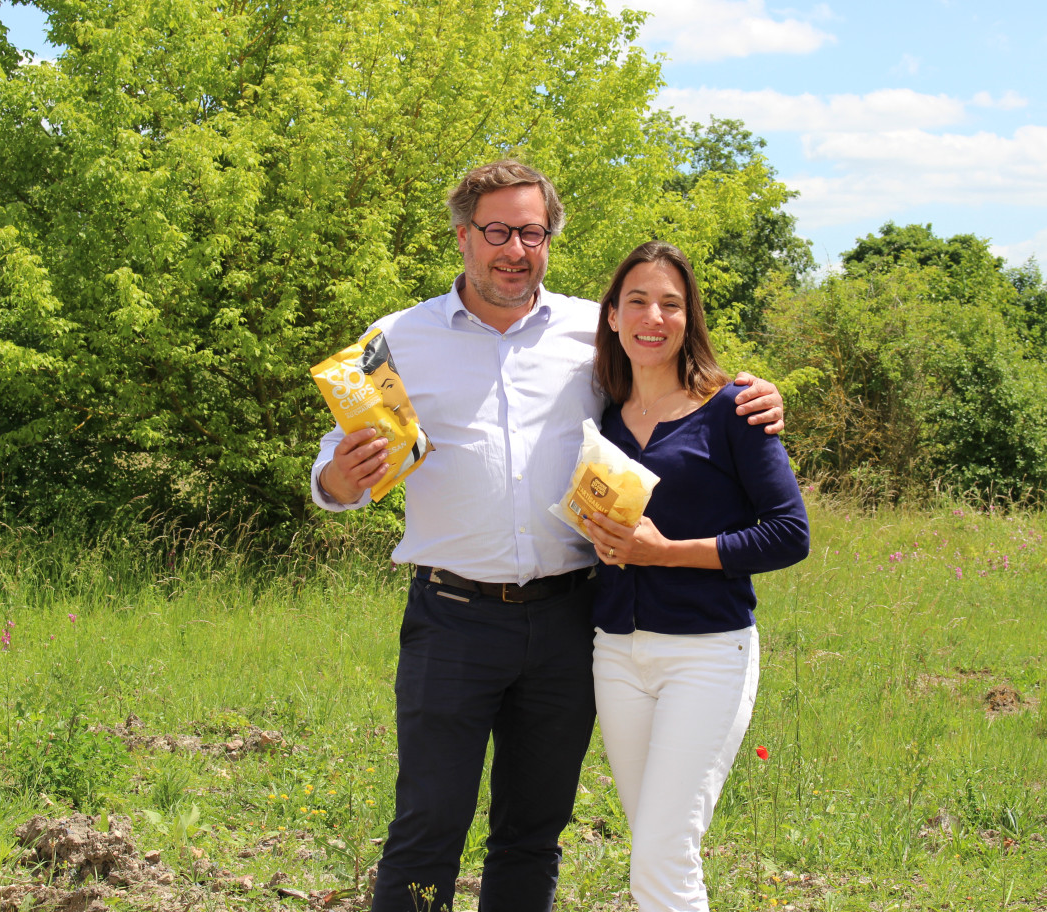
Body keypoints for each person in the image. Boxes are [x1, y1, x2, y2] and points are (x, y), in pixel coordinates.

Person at [310, 161, 786, 912]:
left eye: (532, 233)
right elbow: (329, 477)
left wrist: (752, 393)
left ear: (549, 242)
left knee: (532, 831)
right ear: (464, 236)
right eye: (497, 231)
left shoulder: (590, 334)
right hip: (451, 619)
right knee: (427, 822)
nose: (515, 249)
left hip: (571, 620)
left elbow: (674, 394)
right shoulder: (397, 338)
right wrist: (341, 477)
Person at [582, 241, 810, 912]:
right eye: (638, 301)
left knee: (662, 852)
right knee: (655, 846)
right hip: (616, 654)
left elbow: (788, 534)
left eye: (671, 303)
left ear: (690, 318)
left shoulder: (735, 408)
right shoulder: (604, 422)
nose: (654, 316)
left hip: (708, 653)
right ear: (614, 317)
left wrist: (667, 551)